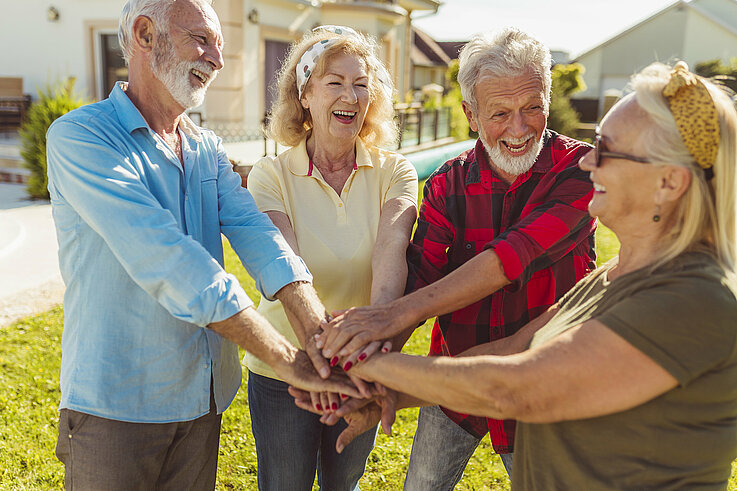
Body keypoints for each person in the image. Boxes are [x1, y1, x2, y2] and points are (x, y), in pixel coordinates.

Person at [300, 60, 737, 489]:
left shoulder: (693, 298)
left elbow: (514, 388)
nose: (589, 163)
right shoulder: (611, 277)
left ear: (669, 183)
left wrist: (369, 362)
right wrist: (386, 396)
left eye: (608, 150)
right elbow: (510, 350)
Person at [46, 0, 360, 488]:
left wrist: (317, 334)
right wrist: (288, 358)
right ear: (146, 35)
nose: (216, 58)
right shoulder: (82, 137)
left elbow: (259, 235)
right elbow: (169, 260)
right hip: (117, 409)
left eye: (220, 45)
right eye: (202, 39)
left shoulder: (205, 148)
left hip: (201, 404)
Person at [316, 27, 595, 484]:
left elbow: (511, 256)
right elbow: (421, 275)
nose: (520, 128)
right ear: (470, 113)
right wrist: (366, 366)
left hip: (543, 378)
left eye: (533, 107)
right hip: (453, 378)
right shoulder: (448, 184)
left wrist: (389, 319)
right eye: (500, 113)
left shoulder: (582, 170)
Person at [244, 25, 418, 490]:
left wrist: (361, 350)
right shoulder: (269, 174)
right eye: (335, 82)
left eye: (362, 84)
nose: (351, 95)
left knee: (345, 482)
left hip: (360, 361)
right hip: (285, 365)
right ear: (305, 95)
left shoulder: (395, 170)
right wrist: (322, 360)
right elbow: (284, 262)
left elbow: (391, 250)